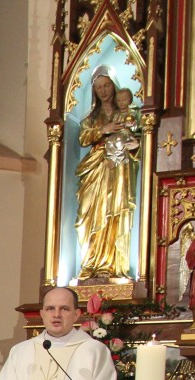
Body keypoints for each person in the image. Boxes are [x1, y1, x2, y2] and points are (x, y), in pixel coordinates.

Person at [75, 70, 135, 282]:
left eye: (107, 85)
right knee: (89, 214)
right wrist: (103, 129)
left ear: (114, 86)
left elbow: (135, 135)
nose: (103, 91)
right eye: (98, 87)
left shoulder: (125, 113)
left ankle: (111, 264)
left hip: (118, 167)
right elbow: (83, 138)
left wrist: (134, 142)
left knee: (113, 210)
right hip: (96, 166)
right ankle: (91, 261)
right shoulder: (91, 118)